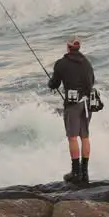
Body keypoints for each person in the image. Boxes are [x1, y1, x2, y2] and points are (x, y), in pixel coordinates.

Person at [47, 35, 95, 184]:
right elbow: (91, 81)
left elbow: (54, 83)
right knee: (85, 136)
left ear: (68, 47)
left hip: (73, 104)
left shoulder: (61, 63)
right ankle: (85, 174)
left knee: (72, 137)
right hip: (87, 102)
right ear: (78, 47)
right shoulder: (87, 63)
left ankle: (75, 173)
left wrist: (50, 84)